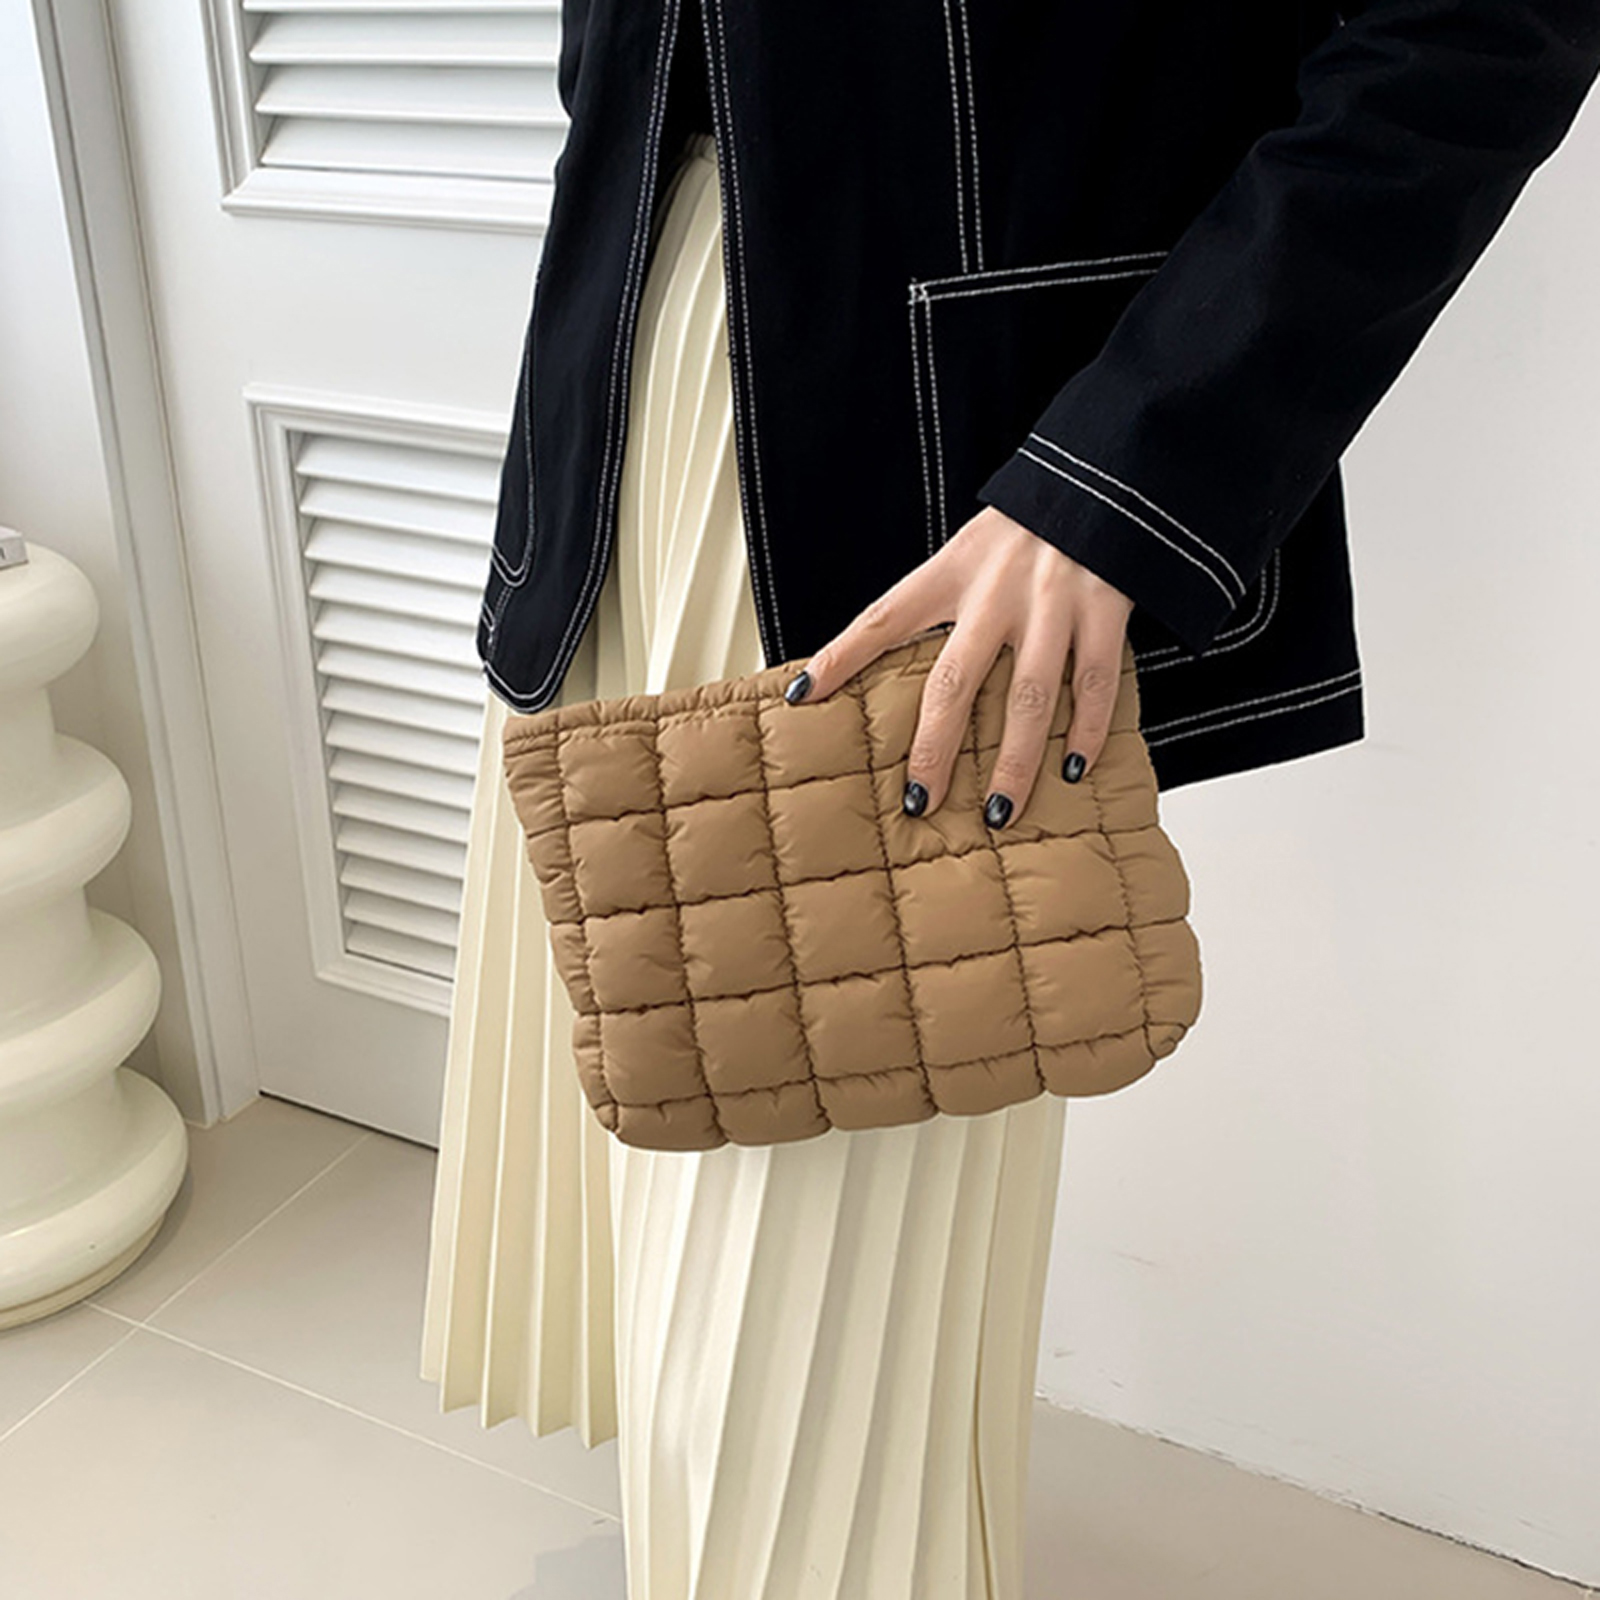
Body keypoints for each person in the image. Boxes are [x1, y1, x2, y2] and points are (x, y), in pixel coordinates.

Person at [424, 6, 1600, 1596]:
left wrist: (1122, 473)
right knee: (655, 1103)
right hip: (622, 340)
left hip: (933, 459)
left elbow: (1475, 30)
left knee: (814, 1285)